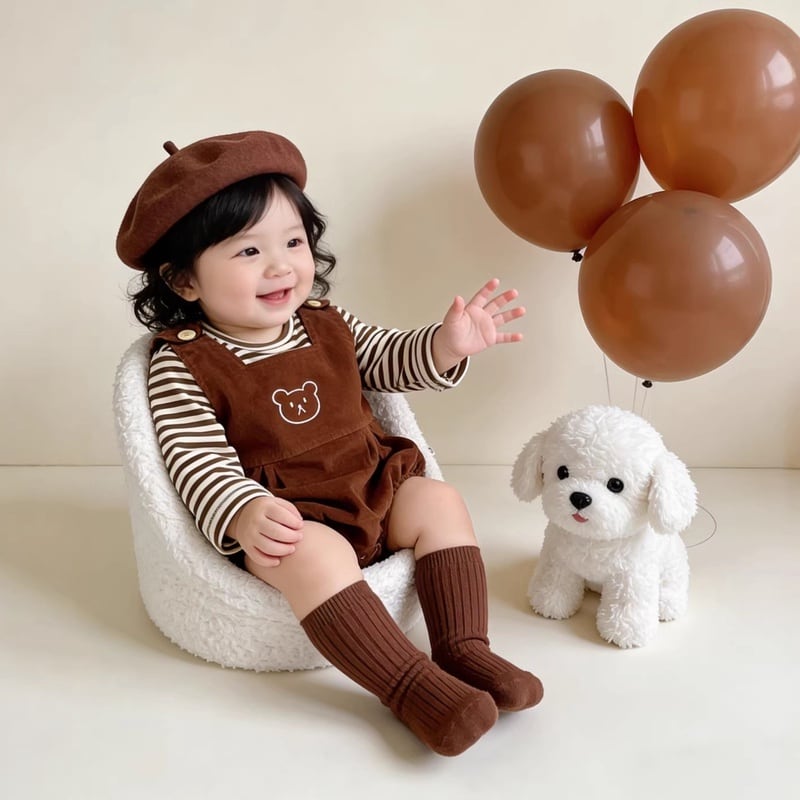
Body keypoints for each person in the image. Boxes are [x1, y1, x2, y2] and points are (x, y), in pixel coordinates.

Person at [117, 130, 543, 756]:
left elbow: (391, 360)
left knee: (438, 501)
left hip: (371, 482)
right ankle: (409, 686)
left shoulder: (327, 323)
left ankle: (463, 647)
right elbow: (192, 458)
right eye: (248, 251)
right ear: (183, 281)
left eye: (293, 242)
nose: (281, 266)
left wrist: (447, 344)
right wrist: (242, 512)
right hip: (288, 513)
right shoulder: (185, 362)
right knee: (313, 554)